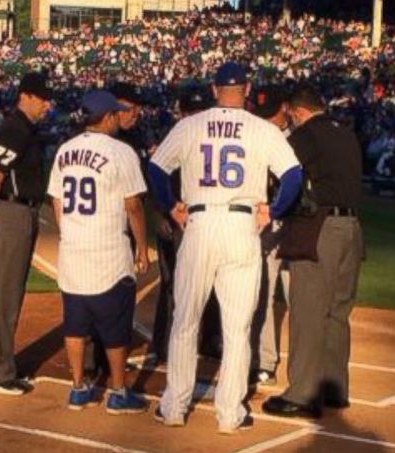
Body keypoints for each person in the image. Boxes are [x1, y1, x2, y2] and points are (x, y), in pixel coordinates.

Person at [149, 62, 302, 434]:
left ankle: (173, 407)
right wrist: (275, 209)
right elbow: (294, 176)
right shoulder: (262, 128)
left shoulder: (190, 125)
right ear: (246, 89)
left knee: (185, 320)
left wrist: (171, 205)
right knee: (237, 328)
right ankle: (230, 414)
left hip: (199, 223)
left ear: (216, 89)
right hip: (241, 224)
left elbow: (155, 169)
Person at [263, 85, 364, 419]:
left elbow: (283, 173)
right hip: (353, 229)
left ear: (297, 110)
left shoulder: (306, 135)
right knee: (337, 312)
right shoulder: (345, 133)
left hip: (321, 227)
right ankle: (335, 388)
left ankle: (304, 394)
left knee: (308, 311)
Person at [46, 90, 150, 414]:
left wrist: (70, 231)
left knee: (75, 325)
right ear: (107, 117)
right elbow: (133, 205)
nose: (120, 117)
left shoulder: (65, 150)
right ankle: (118, 392)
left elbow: (57, 200)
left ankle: (78, 387)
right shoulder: (121, 152)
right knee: (116, 326)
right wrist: (143, 248)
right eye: (116, 113)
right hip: (109, 250)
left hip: (73, 249)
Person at [0, 72, 53, 395]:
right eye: (43, 98)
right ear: (27, 96)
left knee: (10, 293)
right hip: (11, 213)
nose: (48, 105)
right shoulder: (16, 128)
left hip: (21, 212)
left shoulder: (26, 129)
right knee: (5, 295)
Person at [149, 85, 213, 367]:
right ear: (182, 112)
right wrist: (163, 213)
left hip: (204, 222)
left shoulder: (205, 138)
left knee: (209, 283)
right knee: (174, 285)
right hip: (176, 223)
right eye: (191, 111)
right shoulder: (173, 139)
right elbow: (154, 179)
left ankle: (208, 340)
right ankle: (164, 345)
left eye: (200, 111)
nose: (195, 116)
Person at [249, 84, 293, 389]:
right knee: (263, 293)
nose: (267, 120)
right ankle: (265, 361)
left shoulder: (301, 139)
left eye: (272, 113)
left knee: (299, 297)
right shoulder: (257, 137)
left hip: (297, 228)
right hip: (267, 226)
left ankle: (306, 368)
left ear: (286, 107)